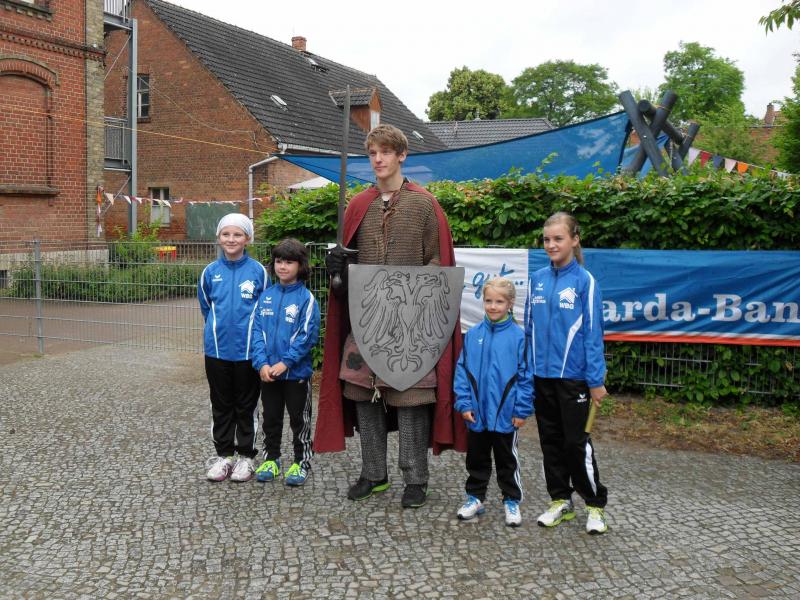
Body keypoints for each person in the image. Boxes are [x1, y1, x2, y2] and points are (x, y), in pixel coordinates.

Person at [314, 124, 466, 509]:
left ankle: (415, 477)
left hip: (411, 323)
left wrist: (408, 292)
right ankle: (373, 473)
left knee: (411, 398)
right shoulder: (358, 205)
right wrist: (338, 272)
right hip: (367, 320)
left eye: (385, 152)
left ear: (401, 156)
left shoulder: (424, 205)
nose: (378, 159)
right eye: (372, 153)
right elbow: (346, 275)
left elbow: (439, 262)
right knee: (362, 394)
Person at [525, 211, 609, 534]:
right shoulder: (537, 279)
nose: (551, 245)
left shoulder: (585, 282)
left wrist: (596, 381)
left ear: (574, 240)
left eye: (558, 239)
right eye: (547, 239)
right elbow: (529, 331)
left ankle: (595, 505)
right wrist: (526, 373)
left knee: (576, 444)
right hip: (541, 377)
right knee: (550, 442)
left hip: (574, 379)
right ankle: (560, 500)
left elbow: (593, 335)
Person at [453, 278, 533, 527]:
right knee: (476, 459)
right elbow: (462, 371)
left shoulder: (519, 337)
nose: (493, 306)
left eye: (499, 301)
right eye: (488, 300)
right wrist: (464, 403)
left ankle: (511, 500)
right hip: (477, 413)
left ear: (510, 304)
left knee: (507, 460)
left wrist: (521, 410)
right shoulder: (473, 334)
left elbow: (526, 377)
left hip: (505, 415)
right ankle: (475, 497)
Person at [198, 213, 268, 482]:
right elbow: (207, 307)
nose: (231, 239)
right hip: (216, 351)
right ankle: (224, 456)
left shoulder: (258, 271)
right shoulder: (209, 272)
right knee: (221, 404)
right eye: (226, 234)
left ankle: (246, 457)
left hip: (248, 352)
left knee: (246, 405)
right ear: (219, 237)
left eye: (237, 234)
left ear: (247, 238)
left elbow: (264, 310)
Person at [250, 239, 320, 486]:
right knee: (270, 418)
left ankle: (301, 462)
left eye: (289, 262)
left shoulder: (306, 299)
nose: (282, 266)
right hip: (269, 373)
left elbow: (307, 336)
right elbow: (256, 332)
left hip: (295, 374)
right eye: (279, 261)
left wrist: (286, 363)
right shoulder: (266, 296)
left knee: (299, 420)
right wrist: (262, 364)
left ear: (301, 265)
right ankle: (271, 459)